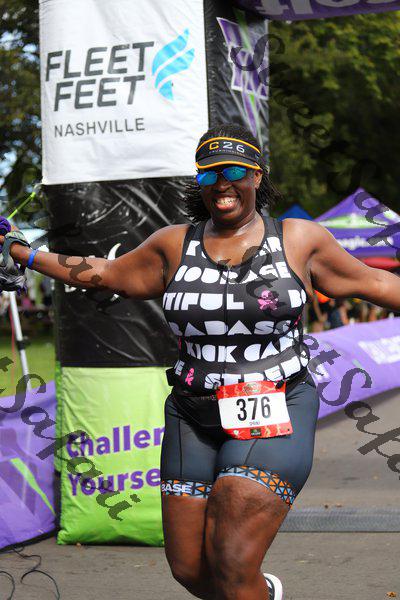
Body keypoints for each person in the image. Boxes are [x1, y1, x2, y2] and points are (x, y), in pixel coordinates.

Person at [1, 123, 400, 600]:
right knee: (190, 568)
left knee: (232, 559)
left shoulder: (298, 239)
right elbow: (105, 273)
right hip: (191, 413)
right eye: (210, 174)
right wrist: (22, 253)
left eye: (234, 172)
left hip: (274, 406)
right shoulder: (174, 243)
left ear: (257, 175)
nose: (222, 184)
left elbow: (377, 284)